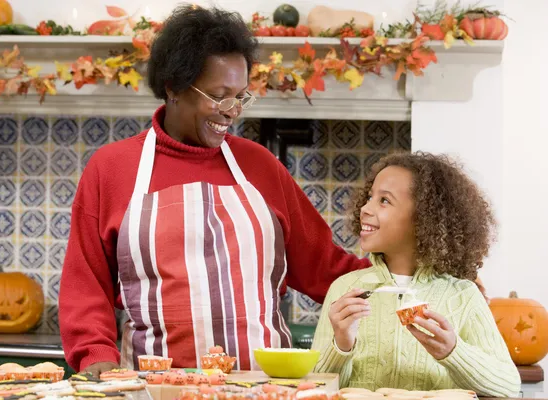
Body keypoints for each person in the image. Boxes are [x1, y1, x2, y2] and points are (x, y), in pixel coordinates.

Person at [58, 5, 371, 377]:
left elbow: (326, 268)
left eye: (240, 96)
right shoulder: (111, 169)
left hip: (262, 386)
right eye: (220, 95)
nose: (232, 111)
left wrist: (406, 278)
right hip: (152, 388)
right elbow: (85, 284)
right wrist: (97, 359)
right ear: (173, 86)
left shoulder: (261, 166)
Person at [311, 152, 520, 397]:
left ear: (423, 218)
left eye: (384, 201)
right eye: (370, 197)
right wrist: (341, 345)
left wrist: (454, 352)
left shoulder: (464, 296)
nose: (365, 208)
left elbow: (508, 386)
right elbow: (315, 388)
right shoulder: (344, 289)